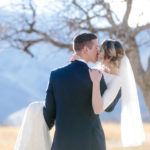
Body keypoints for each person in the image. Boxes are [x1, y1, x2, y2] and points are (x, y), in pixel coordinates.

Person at [14, 33, 121, 150]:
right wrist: (118, 80)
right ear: (85, 49)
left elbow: (49, 115)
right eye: (96, 47)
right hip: (92, 143)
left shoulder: (55, 75)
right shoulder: (96, 76)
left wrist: (35, 109)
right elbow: (108, 107)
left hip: (62, 144)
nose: (98, 50)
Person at [72, 39, 145, 147]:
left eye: (101, 50)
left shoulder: (116, 81)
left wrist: (96, 84)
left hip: (90, 132)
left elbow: (99, 109)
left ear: (108, 57)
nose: (97, 51)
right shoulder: (98, 68)